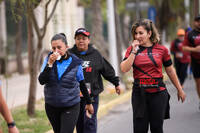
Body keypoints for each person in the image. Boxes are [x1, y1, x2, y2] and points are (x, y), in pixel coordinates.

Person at [120, 19, 186, 133]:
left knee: (156, 128)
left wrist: (179, 89)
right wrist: (133, 52)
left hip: (158, 93)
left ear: (149, 33)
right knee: (140, 129)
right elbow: (124, 69)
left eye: (141, 33)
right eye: (136, 33)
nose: (137, 36)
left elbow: (170, 70)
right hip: (139, 93)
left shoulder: (162, 50)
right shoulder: (132, 50)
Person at [38, 33, 94, 133]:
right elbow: (42, 81)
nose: (56, 51)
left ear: (66, 47)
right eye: (53, 48)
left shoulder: (75, 62)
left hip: (71, 105)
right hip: (51, 106)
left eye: (59, 47)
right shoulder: (48, 60)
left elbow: (82, 84)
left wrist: (89, 103)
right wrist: (49, 64)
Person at [69, 28, 121, 133]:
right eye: (78, 38)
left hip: (92, 96)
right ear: (75, 40)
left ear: (88, 40)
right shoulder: (70, 54)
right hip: (74, 96)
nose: (81, 41)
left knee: (89, 123)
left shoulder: (95, 54)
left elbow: (106, 70)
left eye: (84, 38)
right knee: (79, 124)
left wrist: (116, 83)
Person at [182, 15, 200, 110]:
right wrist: (195, 49)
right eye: (197, 20)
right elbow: (184, 47)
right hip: (196, 62)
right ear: (194, 22)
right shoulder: (190, 34)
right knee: (198, 83)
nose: (199, 22)